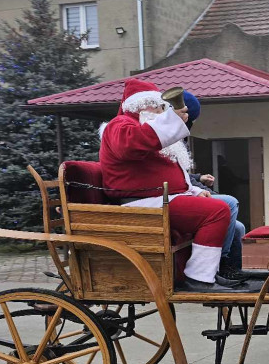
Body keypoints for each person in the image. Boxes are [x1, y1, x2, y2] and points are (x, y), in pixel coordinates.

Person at [98, 78, 239, 293]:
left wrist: (195, 190)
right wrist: (171, 120)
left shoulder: (143, 127)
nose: (160, 110)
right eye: (156, 105)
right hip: (141, 203)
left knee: (222, 207)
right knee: (217, 211)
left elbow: (173, 175)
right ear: (139, 105)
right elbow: (130, 146)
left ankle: (211, 271)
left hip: (159, 199)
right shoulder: (120, 125)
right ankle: (199, 278)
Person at [179, 91, 255, 281]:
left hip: (185, 191)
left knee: (238, 227)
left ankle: (233, 269)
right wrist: (203, 190)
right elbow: (176, 179)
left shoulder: (175, 141)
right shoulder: (167, 141)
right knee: (229, 204)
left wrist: (198, 179)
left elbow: (181, 176)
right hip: (174, 197)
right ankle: (219, 265)